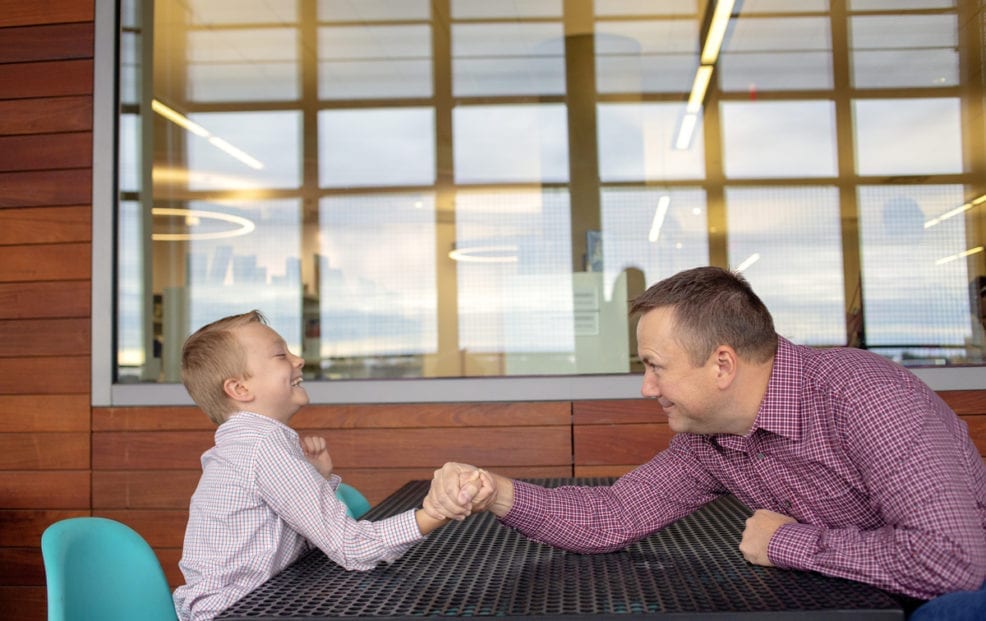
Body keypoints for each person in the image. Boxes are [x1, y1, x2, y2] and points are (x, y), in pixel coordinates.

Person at [424, 266, 986, 613]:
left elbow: (955, 563)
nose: (646, 388)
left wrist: (785, 543)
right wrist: (494, 490)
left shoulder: (863, 397)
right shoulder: (712, 439)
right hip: (862, 599)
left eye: (655, 366)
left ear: (722, 364)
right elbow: (612, 516)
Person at [172, 310, 452, 621]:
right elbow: (351, 548)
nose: (298, 360)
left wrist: (317, 478)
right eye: (280, 355)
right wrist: (435, 513)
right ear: (239, 389)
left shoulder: (245, 446)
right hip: (236, 613)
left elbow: (297, 536)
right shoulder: (264, 447)